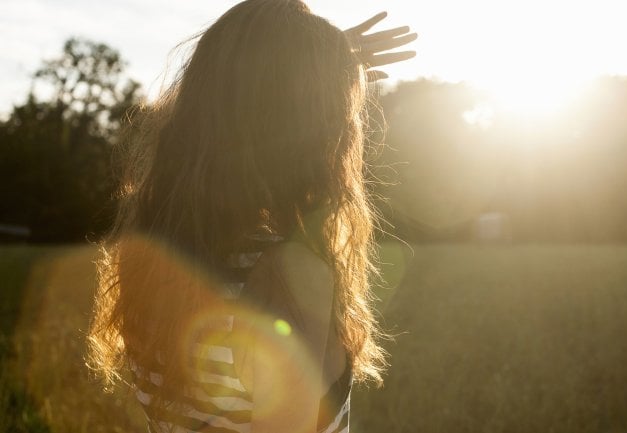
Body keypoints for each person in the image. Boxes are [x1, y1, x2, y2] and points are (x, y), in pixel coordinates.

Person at [86, 1, 417, 432]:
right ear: (315, 131)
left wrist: (306, 64)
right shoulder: (290, 277)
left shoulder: (151, 259)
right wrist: (313, 70)